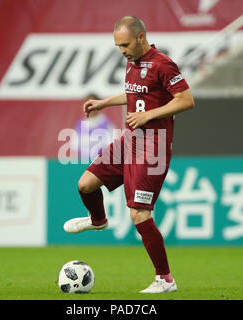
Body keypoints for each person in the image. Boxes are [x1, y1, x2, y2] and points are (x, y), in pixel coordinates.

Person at [63, 16, 195, 293]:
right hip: (130, 140)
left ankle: (165, 279)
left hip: (153, 146)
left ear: (140, 37)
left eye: (124, 44)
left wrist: (148, 115)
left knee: (139, 214)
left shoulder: (163, 64)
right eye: (117, 46)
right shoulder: (133, 63)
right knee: (85, 184)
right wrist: (103, 102)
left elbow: (186, 100)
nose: (121, 50)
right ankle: (97, 220)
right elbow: (133, 94)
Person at [71, 93, 116, 162]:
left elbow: (113, 148)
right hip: (84, 165)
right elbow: (74, 148)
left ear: (99, 105)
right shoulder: (79, 126)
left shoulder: (108, 125)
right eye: (87, 104)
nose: (90, 108)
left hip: (102, 164)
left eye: (92, 104)